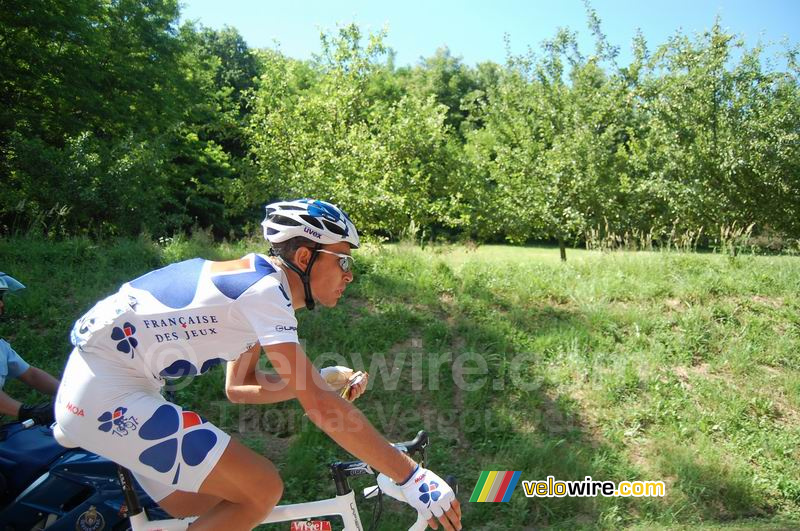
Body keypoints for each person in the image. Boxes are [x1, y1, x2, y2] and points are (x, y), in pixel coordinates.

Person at [54, 199, 462, 531]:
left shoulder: (257, 286)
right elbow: (320, 408)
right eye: (343, 261)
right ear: (305, 256)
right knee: (262, 487)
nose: (349, 275)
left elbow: (241, 386)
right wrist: (411, 476)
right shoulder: (265, 291)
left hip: (112, 388)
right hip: (109, 392)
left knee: (207, 503)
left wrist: (315, 380)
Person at [0, 272, 60, 425]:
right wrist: (25, 411)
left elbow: (31, 375)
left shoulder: (1, 347)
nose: (1, 304)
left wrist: (68, 394)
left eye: (1, 298)